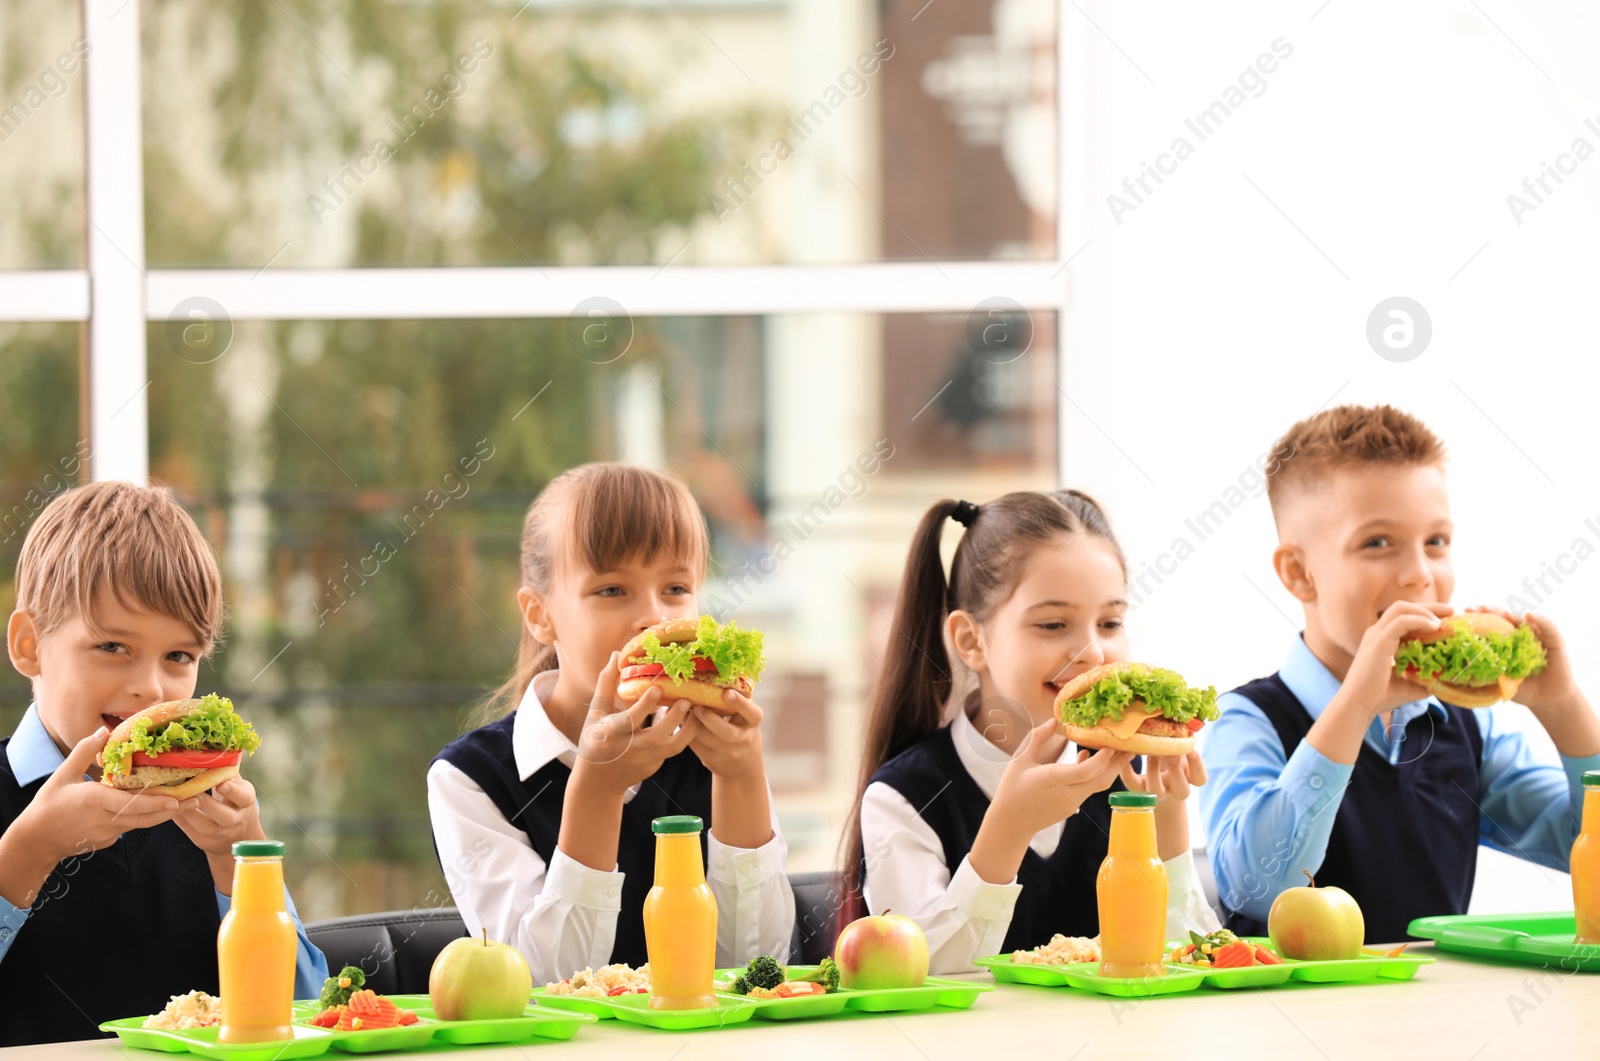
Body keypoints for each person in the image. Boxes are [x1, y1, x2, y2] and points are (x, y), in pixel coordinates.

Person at [1201, 404, 1600, 940]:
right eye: (1377, 543)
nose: (1419, 575)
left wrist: (1564, 708)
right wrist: (1356, 704)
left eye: (1436, 542)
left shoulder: (1469, 727)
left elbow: (1583, 852)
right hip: (1289, 1019)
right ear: (1299, 574)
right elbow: (1258, 887)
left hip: (1431, 1022)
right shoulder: (1248, 720)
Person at [428, 463, 795, 985]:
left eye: (675, 588)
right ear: (539, 614)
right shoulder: (468, 779)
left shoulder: (718, 743)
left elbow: (755, 970)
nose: (652, 617)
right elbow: (544, 984)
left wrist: (741, 780)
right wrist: (598, 790)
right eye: (611, 591)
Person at [0, 482, 326, 1045]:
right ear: (30, 645)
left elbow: (303, 1013)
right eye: (112, 647)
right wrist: (30, 851)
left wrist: (238, 860)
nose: (151, 688)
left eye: (179, 656)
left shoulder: (208, 816)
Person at [844, 490, 1218, 974]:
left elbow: (1196, 961)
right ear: (970, 640)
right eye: (1053, 623)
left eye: (1110, 622)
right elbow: (921, 974)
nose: (1093, 653)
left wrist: (1166, 823)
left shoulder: (1131, 778)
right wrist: (1009, 829)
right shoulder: (903, 799)